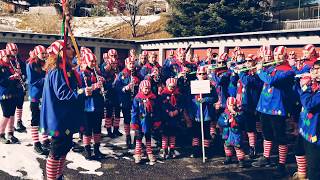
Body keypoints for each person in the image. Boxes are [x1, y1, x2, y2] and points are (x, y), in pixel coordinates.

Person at [40, 40, 86, 180]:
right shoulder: (57, 71)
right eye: (69, 48)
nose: (72, 50)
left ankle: (58, 175)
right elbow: (63, 94)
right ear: (60, 53)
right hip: (58, 119)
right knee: (56, 150)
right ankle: (52, 178)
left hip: (66, 117)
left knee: (65, 147)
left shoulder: (66, 70)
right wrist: (82, 92)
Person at [252, 46, 295, 178]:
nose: (277, 58)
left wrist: (260, 70)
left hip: (278, 108)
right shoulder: (271, 68)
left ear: (285, 56)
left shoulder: (288, 71)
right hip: (264, 106)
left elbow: (270, 80)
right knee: (267, 133)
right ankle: (266, 157)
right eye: (275, 55)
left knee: (280, 135)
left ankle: (281, 163)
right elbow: (261, 76)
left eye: (279, 56)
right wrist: (257, 66)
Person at [80, 52, 106, 160]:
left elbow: (100, 85)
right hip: (87, 105)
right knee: (87, 128)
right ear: (86, 62)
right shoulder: (82, 73)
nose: (94, 63)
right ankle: (87, 149)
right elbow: (81, 88)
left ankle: (96, 148)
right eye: (91, 61)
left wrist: (102, 82)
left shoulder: (97, 72)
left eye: (95, 61)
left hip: (97, 104)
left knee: (97, 128)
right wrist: (95, 86)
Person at [297, 60, 320, 180]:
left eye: (318, 69)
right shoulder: (314, 83)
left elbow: (309, 103)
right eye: (313, 69)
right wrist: (298, 83)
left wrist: (305, 87)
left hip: (316, 133)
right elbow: (300, 96)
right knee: (299, 151)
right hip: (306, 128)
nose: (314, 71)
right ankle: (302, 175)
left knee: (314, 168)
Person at [189, 66, 218, 158]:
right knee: (196, 133)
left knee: (205, 132)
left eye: (204, 74)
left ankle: (206, 151)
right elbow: (189, 98)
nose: (202, 75)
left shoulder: (210, 85)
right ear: (197, 75)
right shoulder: (192, 84)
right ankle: (195, 151)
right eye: (200, 74)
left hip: (206, 113)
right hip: (196, 112)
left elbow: (215, 98)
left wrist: (205, 99)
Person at [26, 45, 50, 155]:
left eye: (45, 53)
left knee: (44, 118)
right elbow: (32, 81)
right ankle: (36, 143)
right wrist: (46, 80)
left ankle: (45, 140)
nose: (45, 55)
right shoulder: (31, 64)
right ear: (36, 54)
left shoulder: (45, 63)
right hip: (36, 95)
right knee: (35, 119)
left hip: (45, 95)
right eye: (42, 53)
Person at [131, 80, 160, 165]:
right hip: (140, 121)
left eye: (148, 88)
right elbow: (134, 111)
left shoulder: (153, 98)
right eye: (145, 88)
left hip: (149, 120)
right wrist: (134, 122)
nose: (146, 90)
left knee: (148, 137)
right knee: (139, 138)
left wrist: (157, 120)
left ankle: (149, 152)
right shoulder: (137, 98)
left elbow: (156, 110)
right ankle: (137, 153)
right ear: (141, 88)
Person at [115, 57, 141, 149]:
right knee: (127, 119)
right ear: (126, 64)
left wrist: (137, 84)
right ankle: (128, 137)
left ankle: (136, 139)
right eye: (130, 64)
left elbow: (143, 83)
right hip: (126, 100)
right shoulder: (122, 74)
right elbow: (117, 87)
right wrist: (125, 88)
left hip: (136, 100)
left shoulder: (137, 73)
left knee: (136, 119)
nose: (132, 65)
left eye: (133, 63)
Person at [159, 77, 183, 159]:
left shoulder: (178, 95)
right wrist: (167, 112)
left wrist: (177, 111)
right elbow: (161, 105)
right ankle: (164, 149)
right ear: (167, 86)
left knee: (173, 134)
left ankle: (172, 149)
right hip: (166, 117)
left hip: (175, 117)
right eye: (170, 86)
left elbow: (181, 105)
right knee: (165, 134)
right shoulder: (163, 95)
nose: (172, 88)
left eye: (173, 87)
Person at [218, 97, 246, 168]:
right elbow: (220, 122)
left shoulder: (239, 113)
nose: (232, 107)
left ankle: (241, 160)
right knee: (227, 146)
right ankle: (228, 157)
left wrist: (235, 114)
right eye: (230, 105)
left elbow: (242, 120)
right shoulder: (224, 114)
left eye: (234, 105)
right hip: (227, 133)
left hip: (236, 133)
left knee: (238, 146)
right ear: (227, 105)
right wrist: (227, 122)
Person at [0, 49, 20, 144]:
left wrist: (18, 78)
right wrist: (12, 77)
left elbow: (14, 80)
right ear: (2, 57)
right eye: (7, 56)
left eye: (10, 56)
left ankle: (10, 133)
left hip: (13, 92)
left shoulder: (10, 66)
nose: (9, 58)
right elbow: (2, 81)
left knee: (12, 114)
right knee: (6, 114)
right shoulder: (1, 67)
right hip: (4, 93)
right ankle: (1, 133)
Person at [6, 42, 27, 133]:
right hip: (11, 86)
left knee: (20, 104)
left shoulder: (19, 59)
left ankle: (19, 121)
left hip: (20, 85)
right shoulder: (6, 61)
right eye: (12, 50)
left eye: (15, 50)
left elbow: (25, 71)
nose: (14, 52)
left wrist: (23, 77)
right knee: (11, 107)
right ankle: (10, 125)